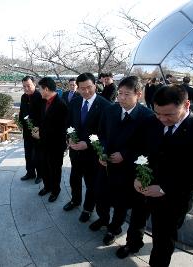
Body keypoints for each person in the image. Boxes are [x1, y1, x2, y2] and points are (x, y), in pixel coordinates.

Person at [117, 85, 193, 266]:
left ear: (186, 104)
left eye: (169, 115)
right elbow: (138, 150)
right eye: (158, 113)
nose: (162, 119)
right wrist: (137, 176)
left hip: (173, 197)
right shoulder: (150, 121)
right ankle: (133, 244)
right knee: (136, 220)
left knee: (164, 237)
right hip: (142, 186)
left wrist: (164, 188)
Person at [90, 76, 153, 246]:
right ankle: (103, 219)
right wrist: (101, 151)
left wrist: (125, 155)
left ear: (138, 94)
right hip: (106, 164)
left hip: (127, 169)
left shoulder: (147, 117)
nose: (121, 98)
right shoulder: (110, 110)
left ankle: (114, 227)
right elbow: (101, 134)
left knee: (121, 202)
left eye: (127, 94)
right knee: (100, 195)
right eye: (120, 93)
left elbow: (147, 146)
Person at [62, 73, 110, 222]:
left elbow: (106, 133)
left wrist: (87, 144)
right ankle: (75, 200)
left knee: (91, 183)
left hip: (93, 154)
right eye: (82, 88)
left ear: (95, 85)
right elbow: (69, 123)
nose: (86, 91)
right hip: (75, 152)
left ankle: (88, 208)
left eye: (89, 87)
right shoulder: (75, 102)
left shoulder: (105, 105)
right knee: (74, 178)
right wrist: (69, 137)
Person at [33, 77, 67, 202]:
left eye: (40, 88)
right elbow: (40, 120)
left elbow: (62, 129)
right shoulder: (43, 101)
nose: (39, 90)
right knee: (44, 167)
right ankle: (47, 187)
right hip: (43, 143)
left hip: (55, 145)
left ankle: (55, 190)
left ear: (46, 89)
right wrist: (37, 130)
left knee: (55, 169)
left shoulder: (61, 104)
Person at [19, 76, 42, 184]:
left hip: (37, 130)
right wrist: (20, 123)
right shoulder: (23, 97)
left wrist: (38, 128)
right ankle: (30, 172)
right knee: (28, 153)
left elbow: (43, 114)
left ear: (34, 84)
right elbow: (21, 112)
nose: (26, 88)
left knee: (37, 153)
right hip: (27, 131)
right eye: (24, 86)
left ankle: (40, 174)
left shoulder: (40, 96)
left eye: (29, 85)